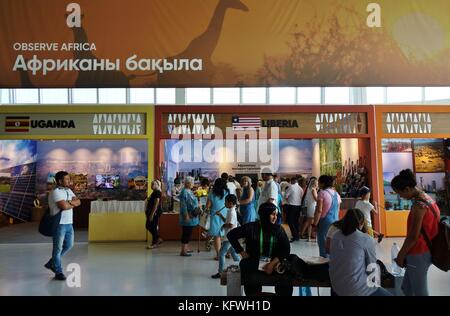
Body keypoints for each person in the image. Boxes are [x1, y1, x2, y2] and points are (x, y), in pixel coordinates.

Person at [391, 169, 441, 296]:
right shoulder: (427, 198)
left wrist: (401, 255)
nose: (400, 197)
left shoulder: (419, 206)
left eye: (400, 193)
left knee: (420, 291)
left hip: (418, 252)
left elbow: (413, 236)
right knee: (407, 288)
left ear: (407, 189)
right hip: (426, 249)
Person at [227, 202, 292, 296]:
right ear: (265, 214)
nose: (275, 217)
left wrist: (272, 264)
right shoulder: (251, 227)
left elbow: (286, 249)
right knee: (247, 270)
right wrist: (241, 252)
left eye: (276, 215)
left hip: (274, 264)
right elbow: (231, 235)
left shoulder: (278, 230)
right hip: (254, 263)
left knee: (286, 278)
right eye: (272, 214)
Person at [329, 208, 392, 296]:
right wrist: (377, 285)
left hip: (336, 287)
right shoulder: (365, 238)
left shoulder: (336, 236)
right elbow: (372, 267)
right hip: (357, 290)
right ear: (361, 223)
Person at [44, 171, 80, 281]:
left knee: (69, 245)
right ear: (60, 181)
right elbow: (63, 206)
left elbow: (79, 202)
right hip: (58, 224)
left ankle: (51, 262)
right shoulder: (55, 192)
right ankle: (58, 271)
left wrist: (70, 203)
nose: (69, 181)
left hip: (69, 223)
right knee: (58, 248)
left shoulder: (68, 190)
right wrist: (71, 203)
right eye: (67, 179)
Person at [211, 194, 241, 279]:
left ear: (231, 203)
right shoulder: (230, 210)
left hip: (229, 237)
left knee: (221, 254)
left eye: (226, 202)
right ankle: (243, 267)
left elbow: (231, 225)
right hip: (231, 236)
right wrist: (220, 215)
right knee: (234, 255)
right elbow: (227, 221)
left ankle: (220, 272)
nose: (224, 204)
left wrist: (223, 226)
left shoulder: (232, 212)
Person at [313, 175, 341, 258]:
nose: (318, 183)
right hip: (335, 221)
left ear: (322, 183)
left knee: (323, 243)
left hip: (324, 222)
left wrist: (315, 224)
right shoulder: (336, 194)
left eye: (319, 182)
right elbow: (338, 210)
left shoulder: (322, 193)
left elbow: (319, 210)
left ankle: (324, 264)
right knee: (333, 243)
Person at [206, 178, 229, 260]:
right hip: (226, 213)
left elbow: (208, 205)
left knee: (217, 236)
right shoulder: (227, 191)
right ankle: (228, 253)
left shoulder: (212, 192)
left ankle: (219, 255)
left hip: (215, 214)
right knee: (227, 234)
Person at [178, 176, 200, 257]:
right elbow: (183, 206)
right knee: (186, 233)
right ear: (187, 183)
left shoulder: (189, 191)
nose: (193, 184)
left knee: (188, 233)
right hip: (188, 216)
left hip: (192, 215)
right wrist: (186, 215)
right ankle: (183, 251)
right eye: (192, 183)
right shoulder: (184, 192)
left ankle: (186, 248)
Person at [145, 180, 163, 249]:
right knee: (150, 226)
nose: (152, 185)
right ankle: (158, 239)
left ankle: (155, 242)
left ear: (158, 185)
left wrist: (152, 214)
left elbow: (156, 204)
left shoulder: (157, 192)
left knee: (151, 226)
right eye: (151, 184)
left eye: (154, 184)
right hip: (151, 212)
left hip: (154, 212)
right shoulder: (154, 192)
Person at [284, 178, 303, 242]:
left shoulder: (291, 187)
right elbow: (301, 197)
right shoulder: (300, 188)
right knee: (296, 221)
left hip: (291, 206)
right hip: (298, 206)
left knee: (290, 221)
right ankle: (297, 236)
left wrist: (288, 200)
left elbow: (286, 196)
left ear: (292, 181)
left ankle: (294, 236)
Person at [300, 177, 318, 241]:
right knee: (313, 223)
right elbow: (316, 199)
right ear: (315, 183)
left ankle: (309, 237)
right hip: (313, 207)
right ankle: (312, 237)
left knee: (310, 222)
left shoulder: (310, 189)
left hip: (310, 206)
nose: (317, 183)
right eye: (317, 182)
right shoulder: (313, 189)